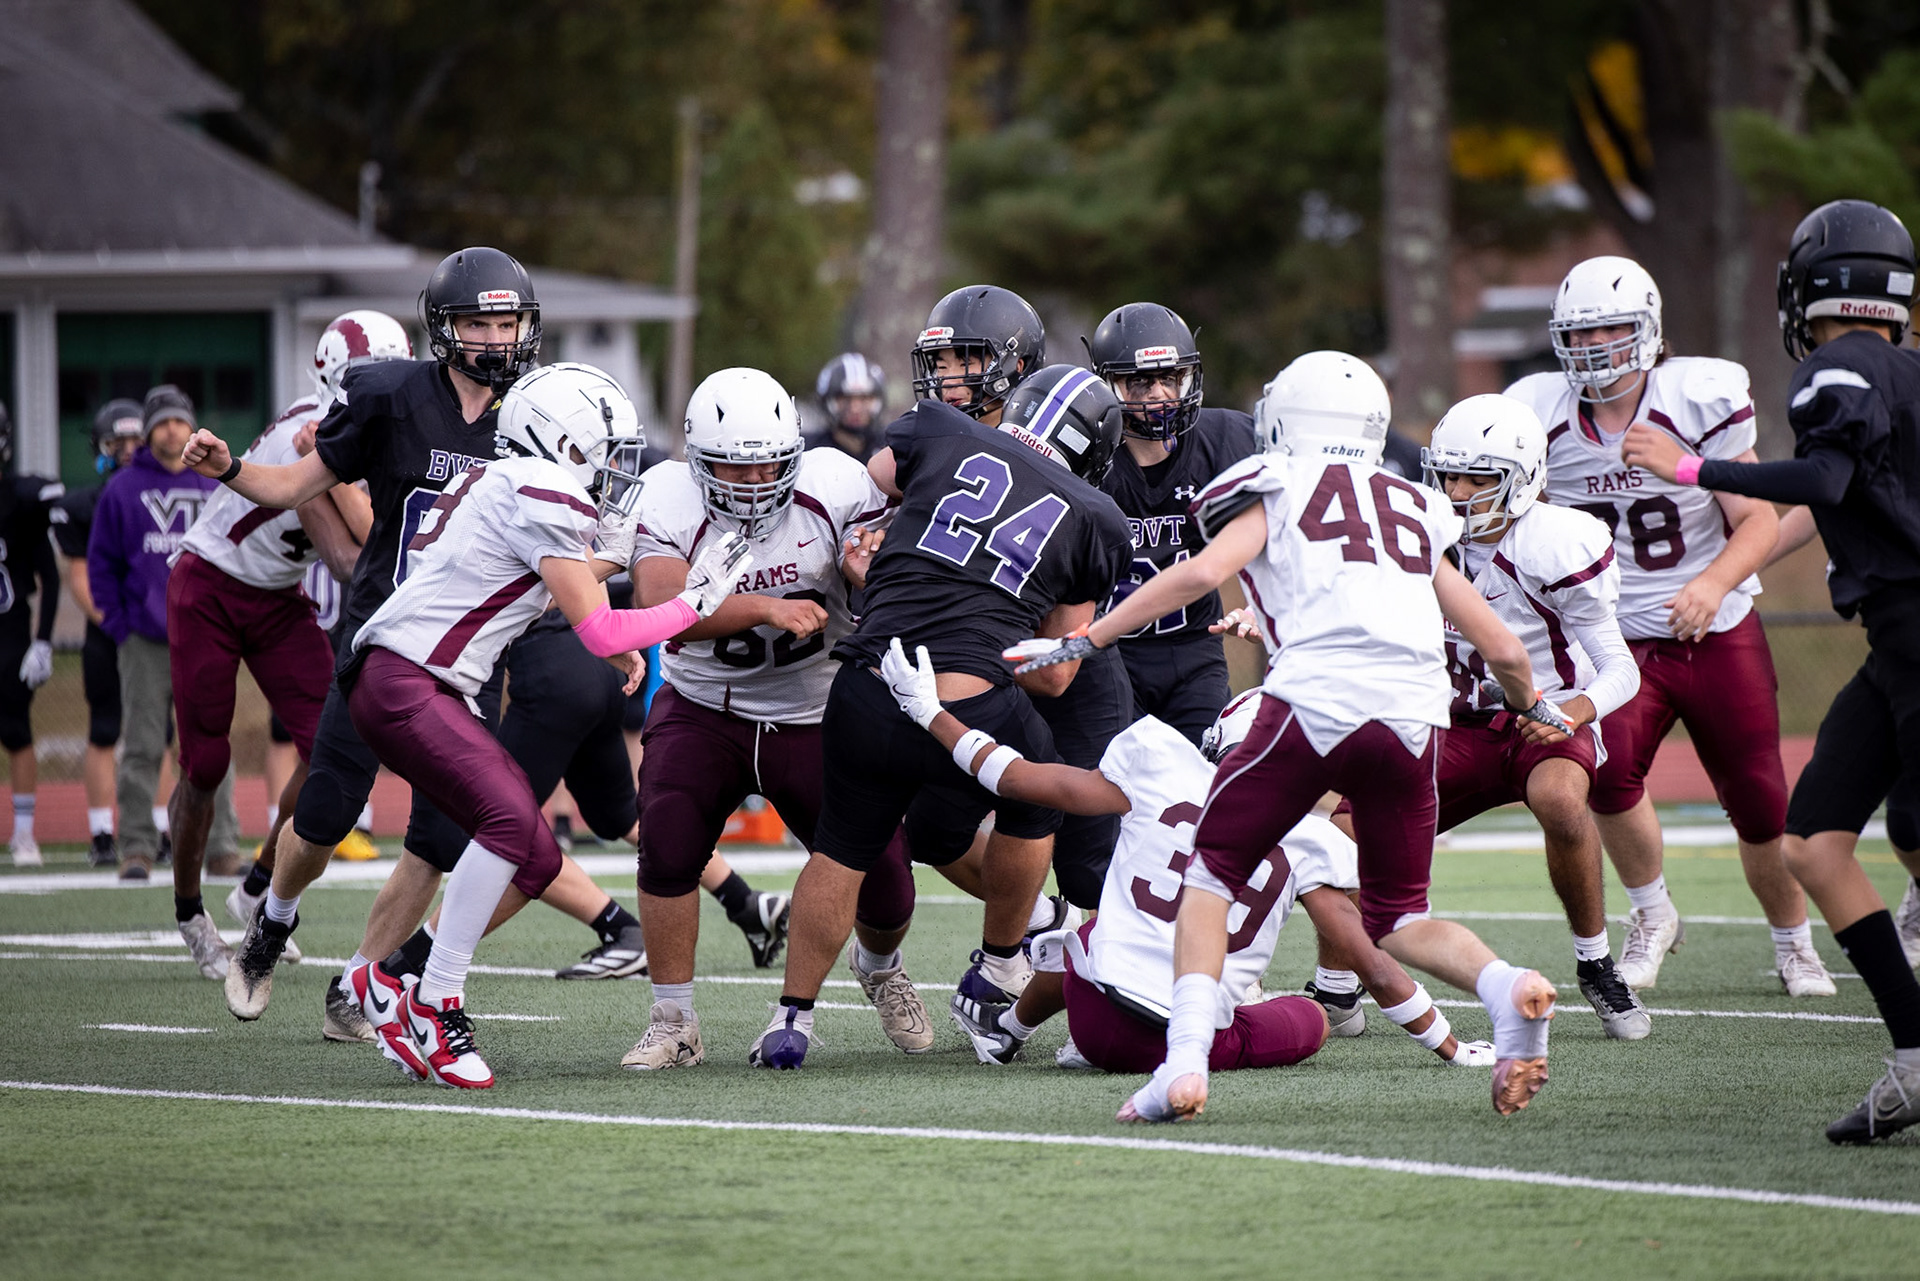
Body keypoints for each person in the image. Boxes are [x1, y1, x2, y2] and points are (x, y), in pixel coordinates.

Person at [1008, 350, 1562, 1122]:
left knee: (1210, 874)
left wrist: (1086, 638)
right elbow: (1502, 647)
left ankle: (1183, 1064)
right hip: (1413, 718)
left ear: (1287, 421)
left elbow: (1198, 575)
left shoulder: (1277, 483)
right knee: (1400, 917)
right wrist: (1533, 704)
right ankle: (1506, 986)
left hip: (1316, 702)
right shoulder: (1414, 504)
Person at [341, 366, 748, 1088]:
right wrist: (699, 600)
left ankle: (385, 980)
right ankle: (434, 1000)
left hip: (416, 680)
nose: (614, 468)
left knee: (532, 854)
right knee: (507, 818)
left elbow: (554, 584)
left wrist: (615, 574)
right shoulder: (540, 486)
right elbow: (597, 625)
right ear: (562, 441)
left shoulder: (506, 481)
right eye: (605, 450)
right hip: (411, 678)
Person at [1621, 198, 1920, 1143]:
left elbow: (1823, 479)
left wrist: (1692, 471)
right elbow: (1839, 498)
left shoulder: (1835, 366)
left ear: (1813, 289)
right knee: (1813, 843)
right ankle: (1916, 1053)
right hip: (1895, 646)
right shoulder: (1906, 373)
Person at [749, 347, 1132, 1070]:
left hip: (868, 680)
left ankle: (789, 1020)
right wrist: (981, 637)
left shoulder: (940, 428)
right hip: (971, 700)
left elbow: (876, 489)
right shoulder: (1096, 515)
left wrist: (891, 570)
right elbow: (1054, 675)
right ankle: (999, 965)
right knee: (1035, 800)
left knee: (841, 847)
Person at [887, 661, 1496, 1073]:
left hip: (1095, 1013)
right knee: (1312, 1017)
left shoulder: (1159, 762)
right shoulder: (1313, 840)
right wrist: (1454, 1048)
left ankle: (1008, 1031)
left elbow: (1018, 777)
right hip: (1182, 1043)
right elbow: (1378, 970)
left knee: (1094, 932)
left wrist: (928, 711)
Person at [1506, 256, 1832, 997]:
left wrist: (1713, 583)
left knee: (1759, 796)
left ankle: (1794, 942)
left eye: (1612, 329)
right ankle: (1653, 914)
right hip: (1614, 636)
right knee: (1606, 776)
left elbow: (1756, 520)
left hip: (1715, 625)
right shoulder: (1538, 413)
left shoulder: (1696, 397)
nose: (1595, 346)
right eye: (1580, 333)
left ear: (1649, 330)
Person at [620, 366, 925, 1068]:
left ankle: (880, 967)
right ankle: (674, 1020)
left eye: (770, 464)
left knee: (887, 882)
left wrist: (864, 569)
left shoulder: (834, 484)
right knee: (667, 844)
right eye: (737, 465)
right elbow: (662, 605)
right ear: (698, 458)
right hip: (705, 704)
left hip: (818, 710)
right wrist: (765, 606)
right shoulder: (667, 495)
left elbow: (890, 572)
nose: (757, 481)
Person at [159, 314, 391, 980]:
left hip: (277, 594)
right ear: (332, 379)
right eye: (367, 378)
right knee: (206, 763)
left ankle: (259, 886)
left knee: (333, 747)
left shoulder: (374, 432)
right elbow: (349, 560)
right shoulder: (305, 437)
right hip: (210, 584)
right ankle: (189, 913)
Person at [1418, 392, 1649, 1037]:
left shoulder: (1556, 543)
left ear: (1522, 481)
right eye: (1448, 476)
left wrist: (1573, 712)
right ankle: (1338, 983)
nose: (1456, 492)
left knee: (1561, 800)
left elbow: (1621, 668)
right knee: (1347, 826)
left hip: (1543, 715)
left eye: (1477, 479)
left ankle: (1596, 963)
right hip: (1454, 720)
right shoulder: (1418, 535)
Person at [88, 385, 240, 883]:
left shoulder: (217, 485)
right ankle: (136, 847)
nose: (172, 431)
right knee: (141, 746)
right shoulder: (122, 489)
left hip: (206, 637)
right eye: (162, 423)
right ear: (148, 431)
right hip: (145, 641)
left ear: (192, 427)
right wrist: (120, 626)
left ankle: (221, 847)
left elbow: (237, 556)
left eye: (179, 421)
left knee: (211, 745)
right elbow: (101, 565)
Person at [1087, 302, 1257, 745]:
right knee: (1114, 774)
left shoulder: (1227, 441)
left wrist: (1264, 602)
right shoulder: (1087, 457)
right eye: (1140, 381)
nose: (1160, 393)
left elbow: (1296, 521)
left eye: (1170, 377)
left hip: (1193, 651)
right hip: (1109, 653)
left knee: (1206, 770)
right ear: (1108, 385)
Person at [51, 400, 142, 867]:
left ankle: (159, 828)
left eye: (135, 440)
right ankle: (103, 833)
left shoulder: (161, 494)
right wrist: (116, 624)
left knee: (157, 734)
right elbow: (79, 577)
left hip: (152, 631)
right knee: (105, 730)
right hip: (110, 631)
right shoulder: (84, 505)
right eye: (116, 442)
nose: (127, 450)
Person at [0, 402, 67, 866]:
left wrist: (43, 641)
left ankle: (24, 833)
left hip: (9, 631)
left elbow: (51, 576)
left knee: (16, 730)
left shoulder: (19, 500)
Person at [807, 352, 887, 461]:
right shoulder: (810, 451)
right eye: (845, 399)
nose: (855, 409)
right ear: (827, 401)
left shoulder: (891, 447)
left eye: (864, 398)